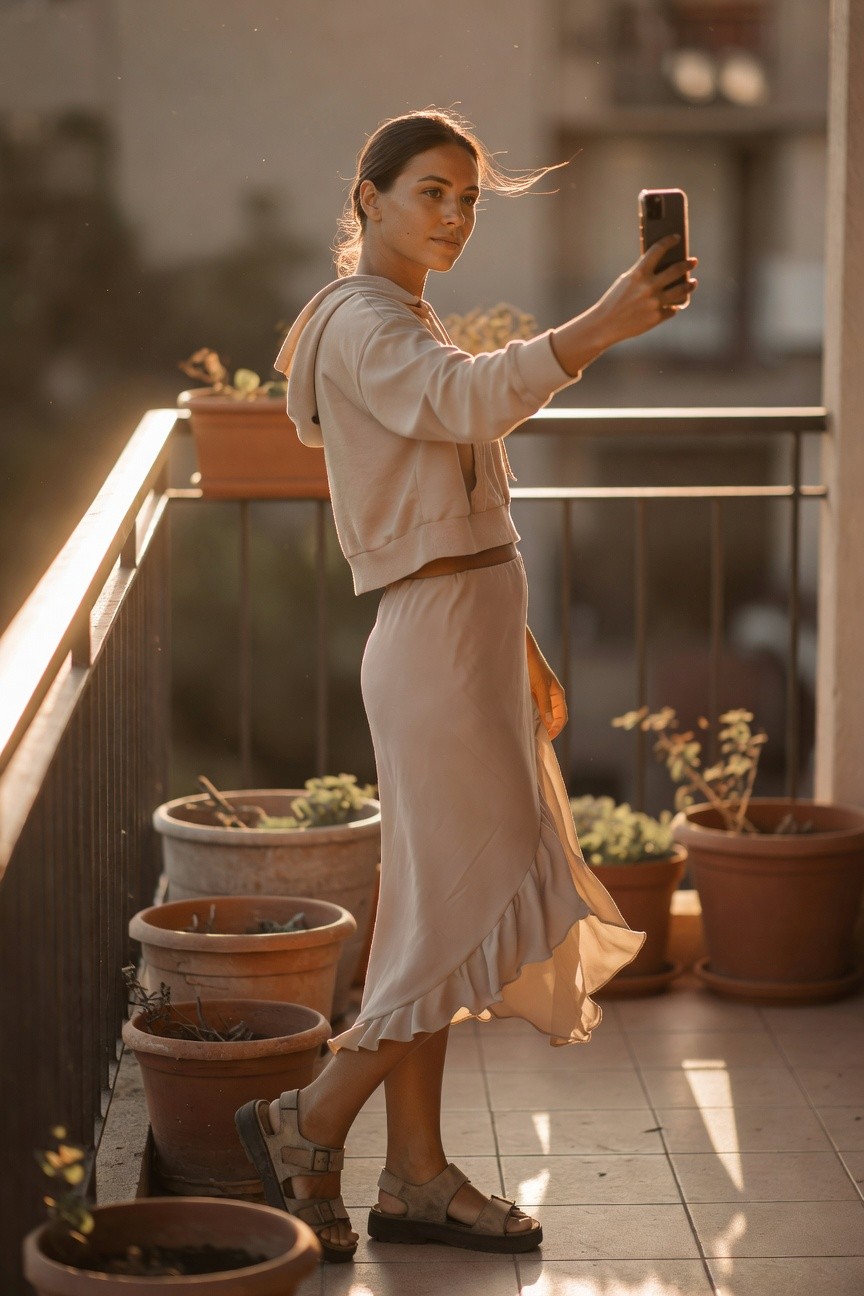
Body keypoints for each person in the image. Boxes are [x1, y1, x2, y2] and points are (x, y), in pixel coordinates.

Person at [235, 108, 697, 1263]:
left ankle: (416, 1176)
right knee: (462, 907)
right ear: (369, 199)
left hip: (461, 636)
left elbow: (456, 501)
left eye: (469, 198)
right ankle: (309, 1120)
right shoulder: (362, 321)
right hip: (434, 644)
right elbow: (465, 402)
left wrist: (515, 640)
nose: (454, 215)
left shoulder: (402, 317)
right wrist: (605, 323)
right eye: (431, 192)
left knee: (431, 916)